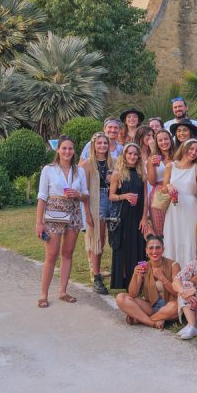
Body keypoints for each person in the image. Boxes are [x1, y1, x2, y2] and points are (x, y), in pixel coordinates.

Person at [35, 137, 90, 307]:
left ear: (74, 151)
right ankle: (43, 294)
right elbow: (42, 197)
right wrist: (39, 222)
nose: (67, 151)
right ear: (58, 150)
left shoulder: (79, 171)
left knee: (67, 253)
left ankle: (63, 291)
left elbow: (86, 195)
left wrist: (77, 194)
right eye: (64, 148)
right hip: (54, 212)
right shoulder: (49, 169)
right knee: (51, 254)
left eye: (70, 148)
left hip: (74, 213)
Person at [115, 235, 180, 329]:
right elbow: (133, 294)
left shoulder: (174, 265)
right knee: (121, 297)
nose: (154, 251)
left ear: (163, 249)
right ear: (146, 250)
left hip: (169, 306)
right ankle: (153, 322)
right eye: (151, 248)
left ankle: (141, 319)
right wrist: (135, 275)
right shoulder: (143, 266)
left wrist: (162, 278)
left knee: (175, 306)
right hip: (150, 306)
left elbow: (177, 293)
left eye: (158, 248)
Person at [109, 143, 149, 290]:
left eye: (135, 154)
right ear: (124, 155)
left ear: (138, 157)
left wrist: (144, 217)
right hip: (124, 216)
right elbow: (111, 196)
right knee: (124, 248)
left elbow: (145, 197)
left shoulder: (142, 174)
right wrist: (124, 196)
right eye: (129, 153)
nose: (132, 156)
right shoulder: (118, 173)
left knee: (139, 247)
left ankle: (139, 281)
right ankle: (124, 281)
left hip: (138, 216)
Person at [162, 139, 197, 267]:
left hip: (191, 207)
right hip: (174, 208)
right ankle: (173, 269)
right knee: (173, 237)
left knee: (189, 238)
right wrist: (168, 186)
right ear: (184, 149)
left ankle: (191, 269)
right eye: (191, 149)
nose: (194, 152)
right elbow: (163, 188)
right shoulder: (170, 166)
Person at [80, 132, 111, 295]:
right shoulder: (87, 164)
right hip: (95, 201)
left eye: (105, 143)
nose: (102, 146)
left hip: (112, 200)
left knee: (108, 239)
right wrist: (87, 214)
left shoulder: (113, 162)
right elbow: (84, 192)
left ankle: (118, 273)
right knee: (97, 240)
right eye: (99, 143)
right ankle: (96, 276)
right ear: (93, 145)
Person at [146, 127, 175, 235]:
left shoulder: (178, 156)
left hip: (175, 191)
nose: (164, 142)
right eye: (160, 140)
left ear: (170, 140)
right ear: (157, 143)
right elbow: (152, 182)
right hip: (159, 192)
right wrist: (152, 165)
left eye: (166, 139)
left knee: (175, 226)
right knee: (160, 228)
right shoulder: (153, 158)